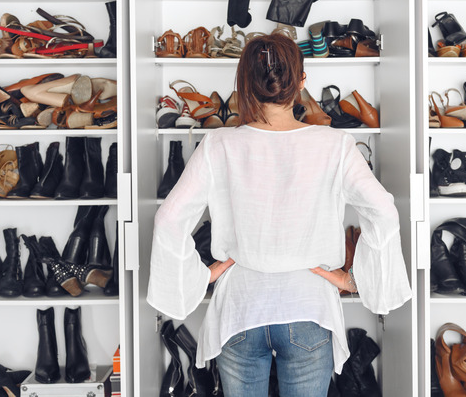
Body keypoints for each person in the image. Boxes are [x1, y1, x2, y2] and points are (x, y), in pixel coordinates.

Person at [147, 33, 411, 396]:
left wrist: (201, 277)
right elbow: (382, 209)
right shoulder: (335, 145)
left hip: (240, 308)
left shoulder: (218, 144)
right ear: (302, 81)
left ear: (245, 86)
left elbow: (168, 219)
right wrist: (355, 281)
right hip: (309, 306)